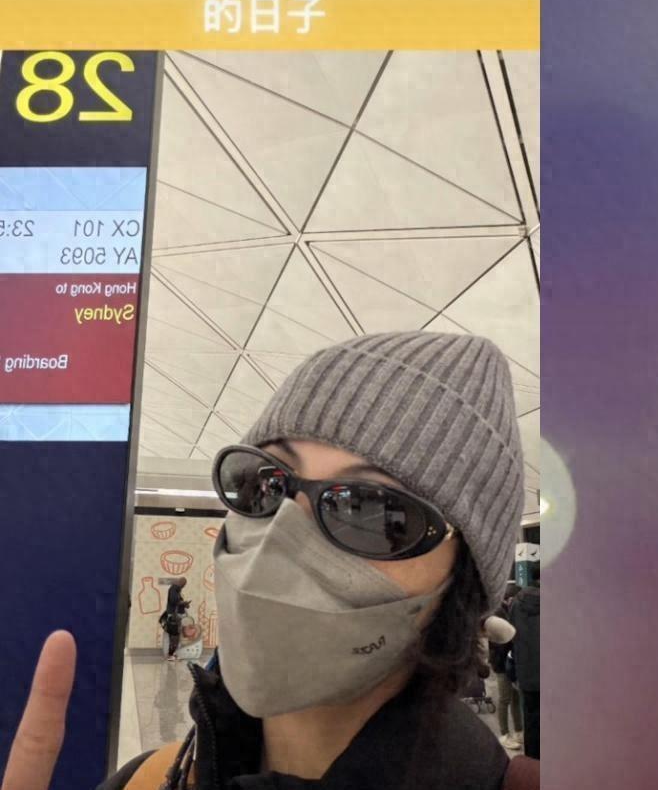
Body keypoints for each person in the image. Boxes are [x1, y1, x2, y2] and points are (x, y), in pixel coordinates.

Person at [1, 332, 540, 790]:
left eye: (370, 509)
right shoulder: (150, 778)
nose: (280, 536)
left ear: (462, 581)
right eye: (264, 482)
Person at [489, 581, 524, 750]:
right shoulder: (497, 613)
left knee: (515, 698)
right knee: (504, 699)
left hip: (511, 661)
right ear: (508, 598)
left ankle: (518, 730)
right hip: (501, 663)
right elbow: (498, 642)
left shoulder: (510, 611)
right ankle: (504, 734)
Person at [508, 581, 539, 759]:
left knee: (530, 721)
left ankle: (532, 761)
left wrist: (512, 671)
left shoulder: (516, 605)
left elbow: (511, 639)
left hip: (526, 674)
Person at [159, 577, 189, 662]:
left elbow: (176, 602)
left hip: (175, 616)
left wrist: (184, 604)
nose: (183, 586)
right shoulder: (173, 589)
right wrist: (183, 603)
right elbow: (173, 601)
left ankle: (173, 653)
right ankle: (170, 654)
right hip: (173, 616)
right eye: (183, 584)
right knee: (173, 636)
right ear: (181, 583)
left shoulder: (177, 590)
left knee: (175, 635)